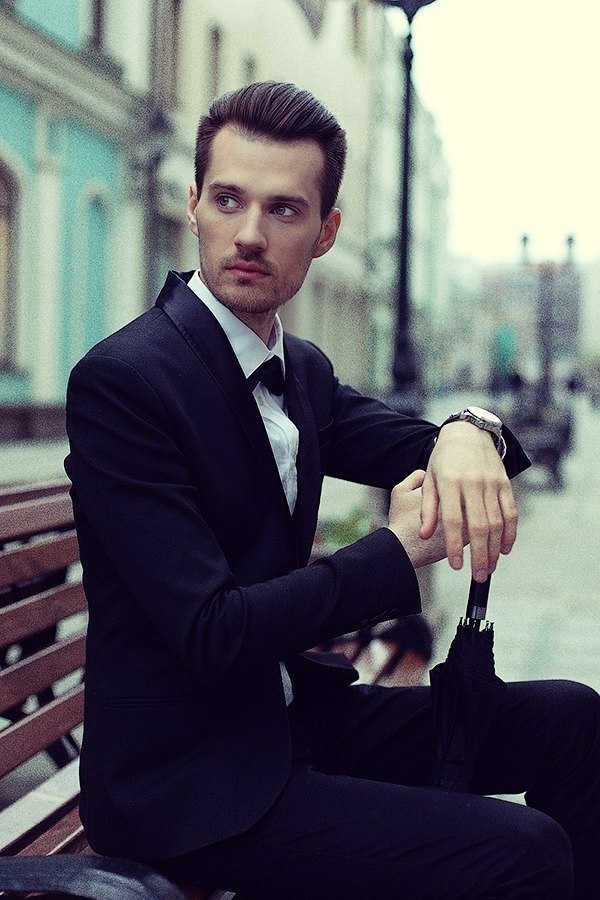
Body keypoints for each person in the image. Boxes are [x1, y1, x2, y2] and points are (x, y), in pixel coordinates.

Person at [65, 82, 599, 899]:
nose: (250, 233)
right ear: (193, 205)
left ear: (325, 233)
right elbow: (211, 633)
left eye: (283, 209)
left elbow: (452, 445)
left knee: (574, 721)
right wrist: (397, 551)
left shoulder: (301, 371)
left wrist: (468, 427)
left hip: (288, 724)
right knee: (525, 849)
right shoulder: (126, 382)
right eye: (228, 199)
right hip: (186, 787)